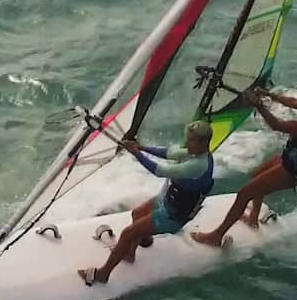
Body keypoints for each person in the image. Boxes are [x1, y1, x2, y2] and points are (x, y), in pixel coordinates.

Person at [192, 83, 297, 248]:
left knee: (244, 194)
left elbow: (277, 126)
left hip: (291, 171)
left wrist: (259, 106)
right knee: (256, 176)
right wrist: (268, 94)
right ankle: (253, 219)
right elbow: (293, 102)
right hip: (287, 159)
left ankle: (215, 237)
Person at [78, 120, 214, 287]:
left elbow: (162, 171)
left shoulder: (198, 165)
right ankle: (129, 253)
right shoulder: (194, 153)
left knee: (127, 234)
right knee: (136, 214)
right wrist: (141, 147)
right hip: (167, 200)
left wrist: (136, 154)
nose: (187, 143)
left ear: (203, 142)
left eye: (191, 140)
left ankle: (102, 275)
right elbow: (169, 153)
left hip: (173, 216)